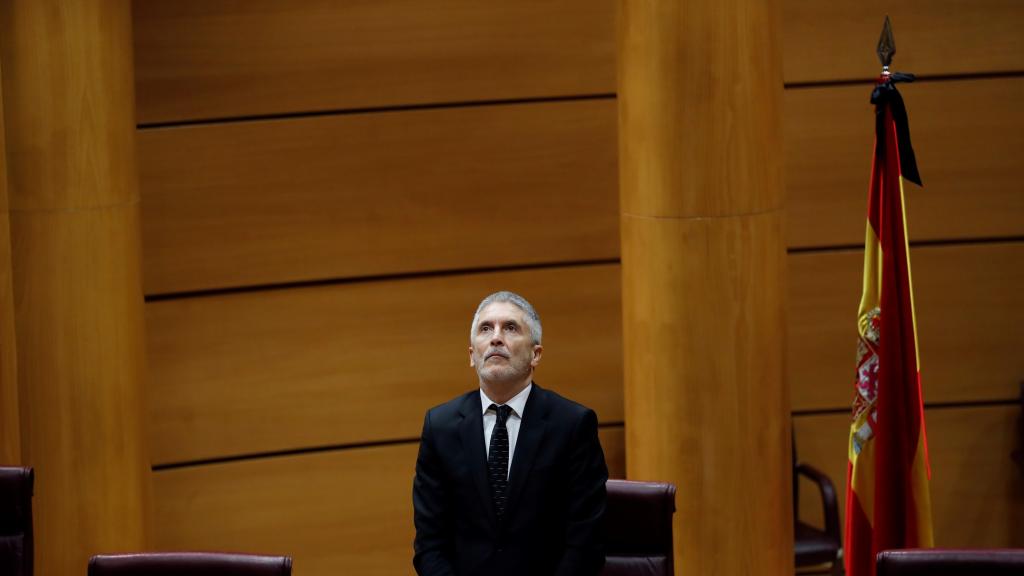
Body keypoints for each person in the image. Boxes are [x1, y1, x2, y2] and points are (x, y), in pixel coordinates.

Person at [413, 291, 608, 576]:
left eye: (511, 328)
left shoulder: (573, 425)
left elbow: (585, 544)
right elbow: (430, 546)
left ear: (535, 354)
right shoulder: (439, 426)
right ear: (472, 355)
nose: (496, 337)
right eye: (486, 328)